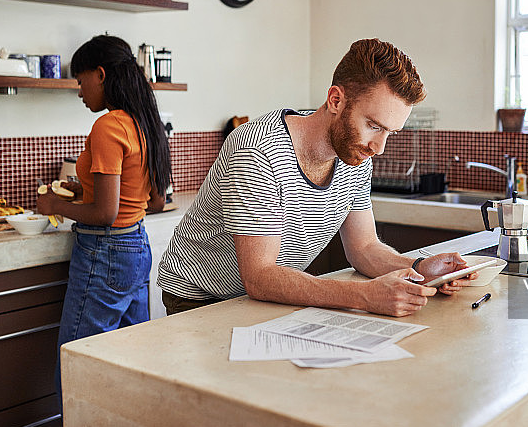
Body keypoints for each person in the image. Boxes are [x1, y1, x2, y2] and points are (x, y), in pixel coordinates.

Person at [157, 38, 474, 318]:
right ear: (336, 100)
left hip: (260, 300)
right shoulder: (259, 150)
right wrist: (365, 296)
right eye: (374, 125)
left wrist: (417, 269)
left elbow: (363, 247)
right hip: (200, 301)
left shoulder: (355, 154)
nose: (379, 147)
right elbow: (260, 276)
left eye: (390, 132)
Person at [37, 35, 171, 410]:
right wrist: (83, 188)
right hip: (136, 247)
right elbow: (152, 199)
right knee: (131, 362)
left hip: (104, 251)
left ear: (100, 74)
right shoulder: (144, 122)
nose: (80, 92)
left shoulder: (108, 126)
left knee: (77, 362)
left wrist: (53, 203)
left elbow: (105, 214)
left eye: (81, 81)